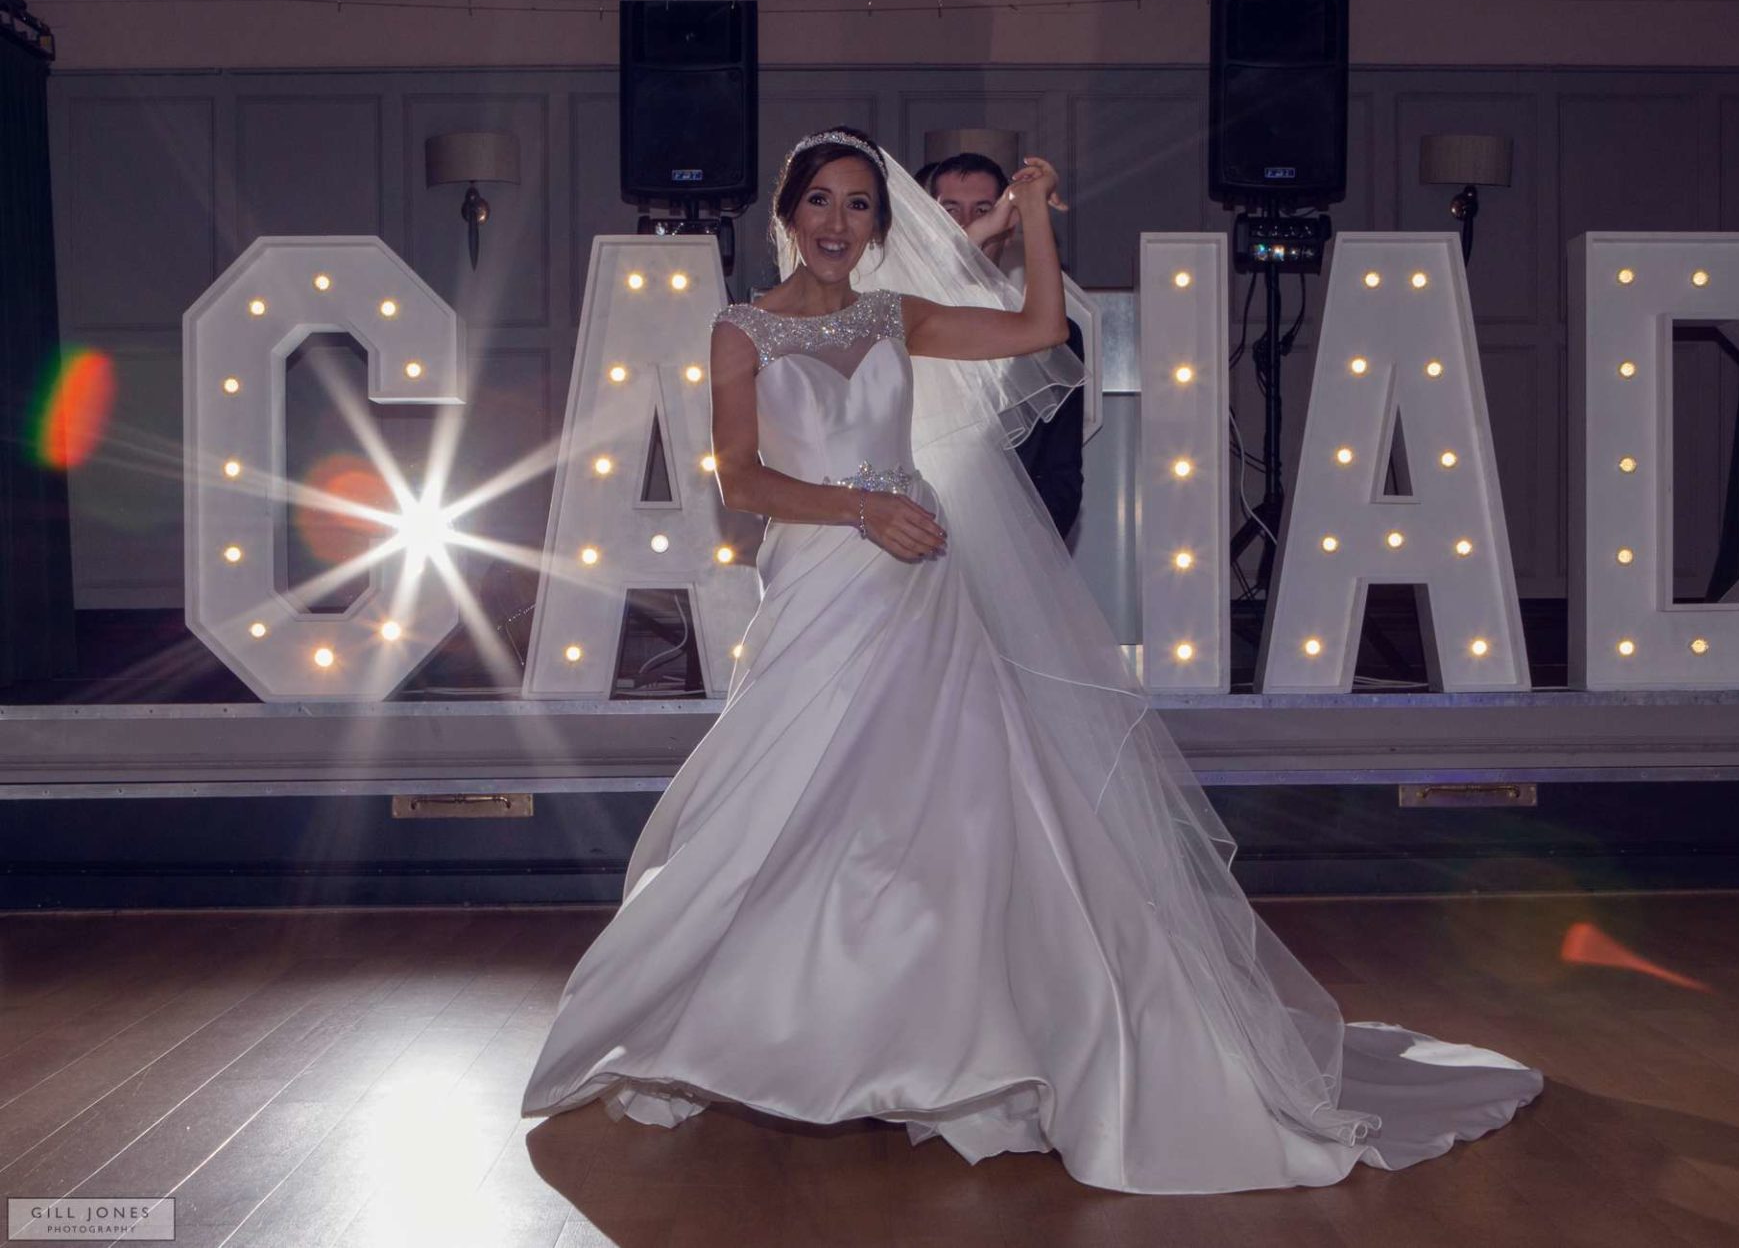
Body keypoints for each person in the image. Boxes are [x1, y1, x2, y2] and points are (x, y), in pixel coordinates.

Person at [520, 125, 1543, 1195]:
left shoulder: (894, 316)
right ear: (785, 216)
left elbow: (1041, 326)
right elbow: (740, 480)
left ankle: (975, 1045)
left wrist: (1038, 216)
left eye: (860, 205)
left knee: (959, 813)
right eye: (820, 202)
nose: (837, 223)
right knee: (779, 809)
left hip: (917, 591)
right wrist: (863, 507)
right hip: (823, 581)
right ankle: (740, 1026)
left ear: (879, 224)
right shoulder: (740, 330)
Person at [923, 150, 1085, 541]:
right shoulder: (901, 311)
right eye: (949, 212)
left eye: (982, 211)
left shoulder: (1056, 334)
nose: (964, 225)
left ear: (1008, 227)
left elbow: (1061, 471)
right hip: (910, 538)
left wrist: (1026, 553)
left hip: (1010, 546)